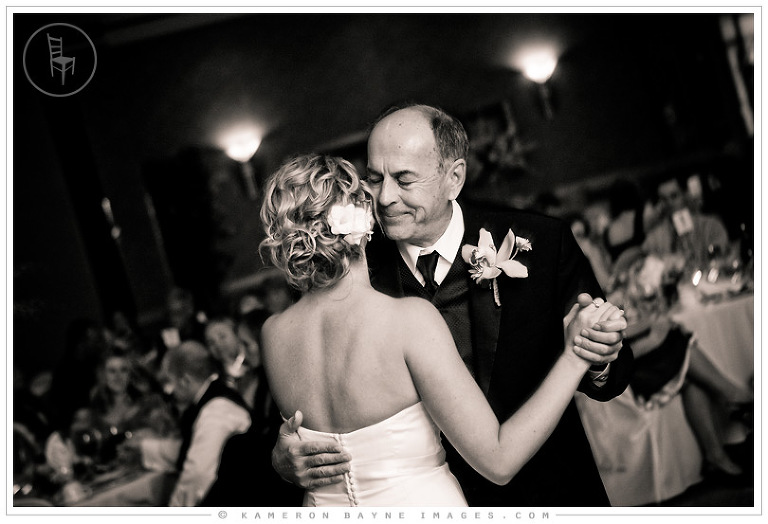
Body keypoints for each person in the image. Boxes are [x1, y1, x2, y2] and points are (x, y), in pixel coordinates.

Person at [272, 104, 633, 507]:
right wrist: (282, 458)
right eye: (374, 179)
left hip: (547, 492)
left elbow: (614, 375)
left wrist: (597, 353)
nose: (385, 197)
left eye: (404, 180)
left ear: (453, 177)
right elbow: (300, 402)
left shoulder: (542, 243)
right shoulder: (347, 265)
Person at [120, 341, 251, 506]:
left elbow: (198, 474)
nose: (170, 391)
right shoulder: (211, 399)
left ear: (185, 380)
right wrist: (144, 446)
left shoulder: (216, 409)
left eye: (171, 382)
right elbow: (190, 449)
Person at [642, 177, 730, 270]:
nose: (670, 203)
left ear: (684, 195)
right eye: (664, 199)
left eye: (674, 196)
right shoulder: (655, 236)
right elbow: (647, 261)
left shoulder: (710, 225)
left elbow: (722, 256)